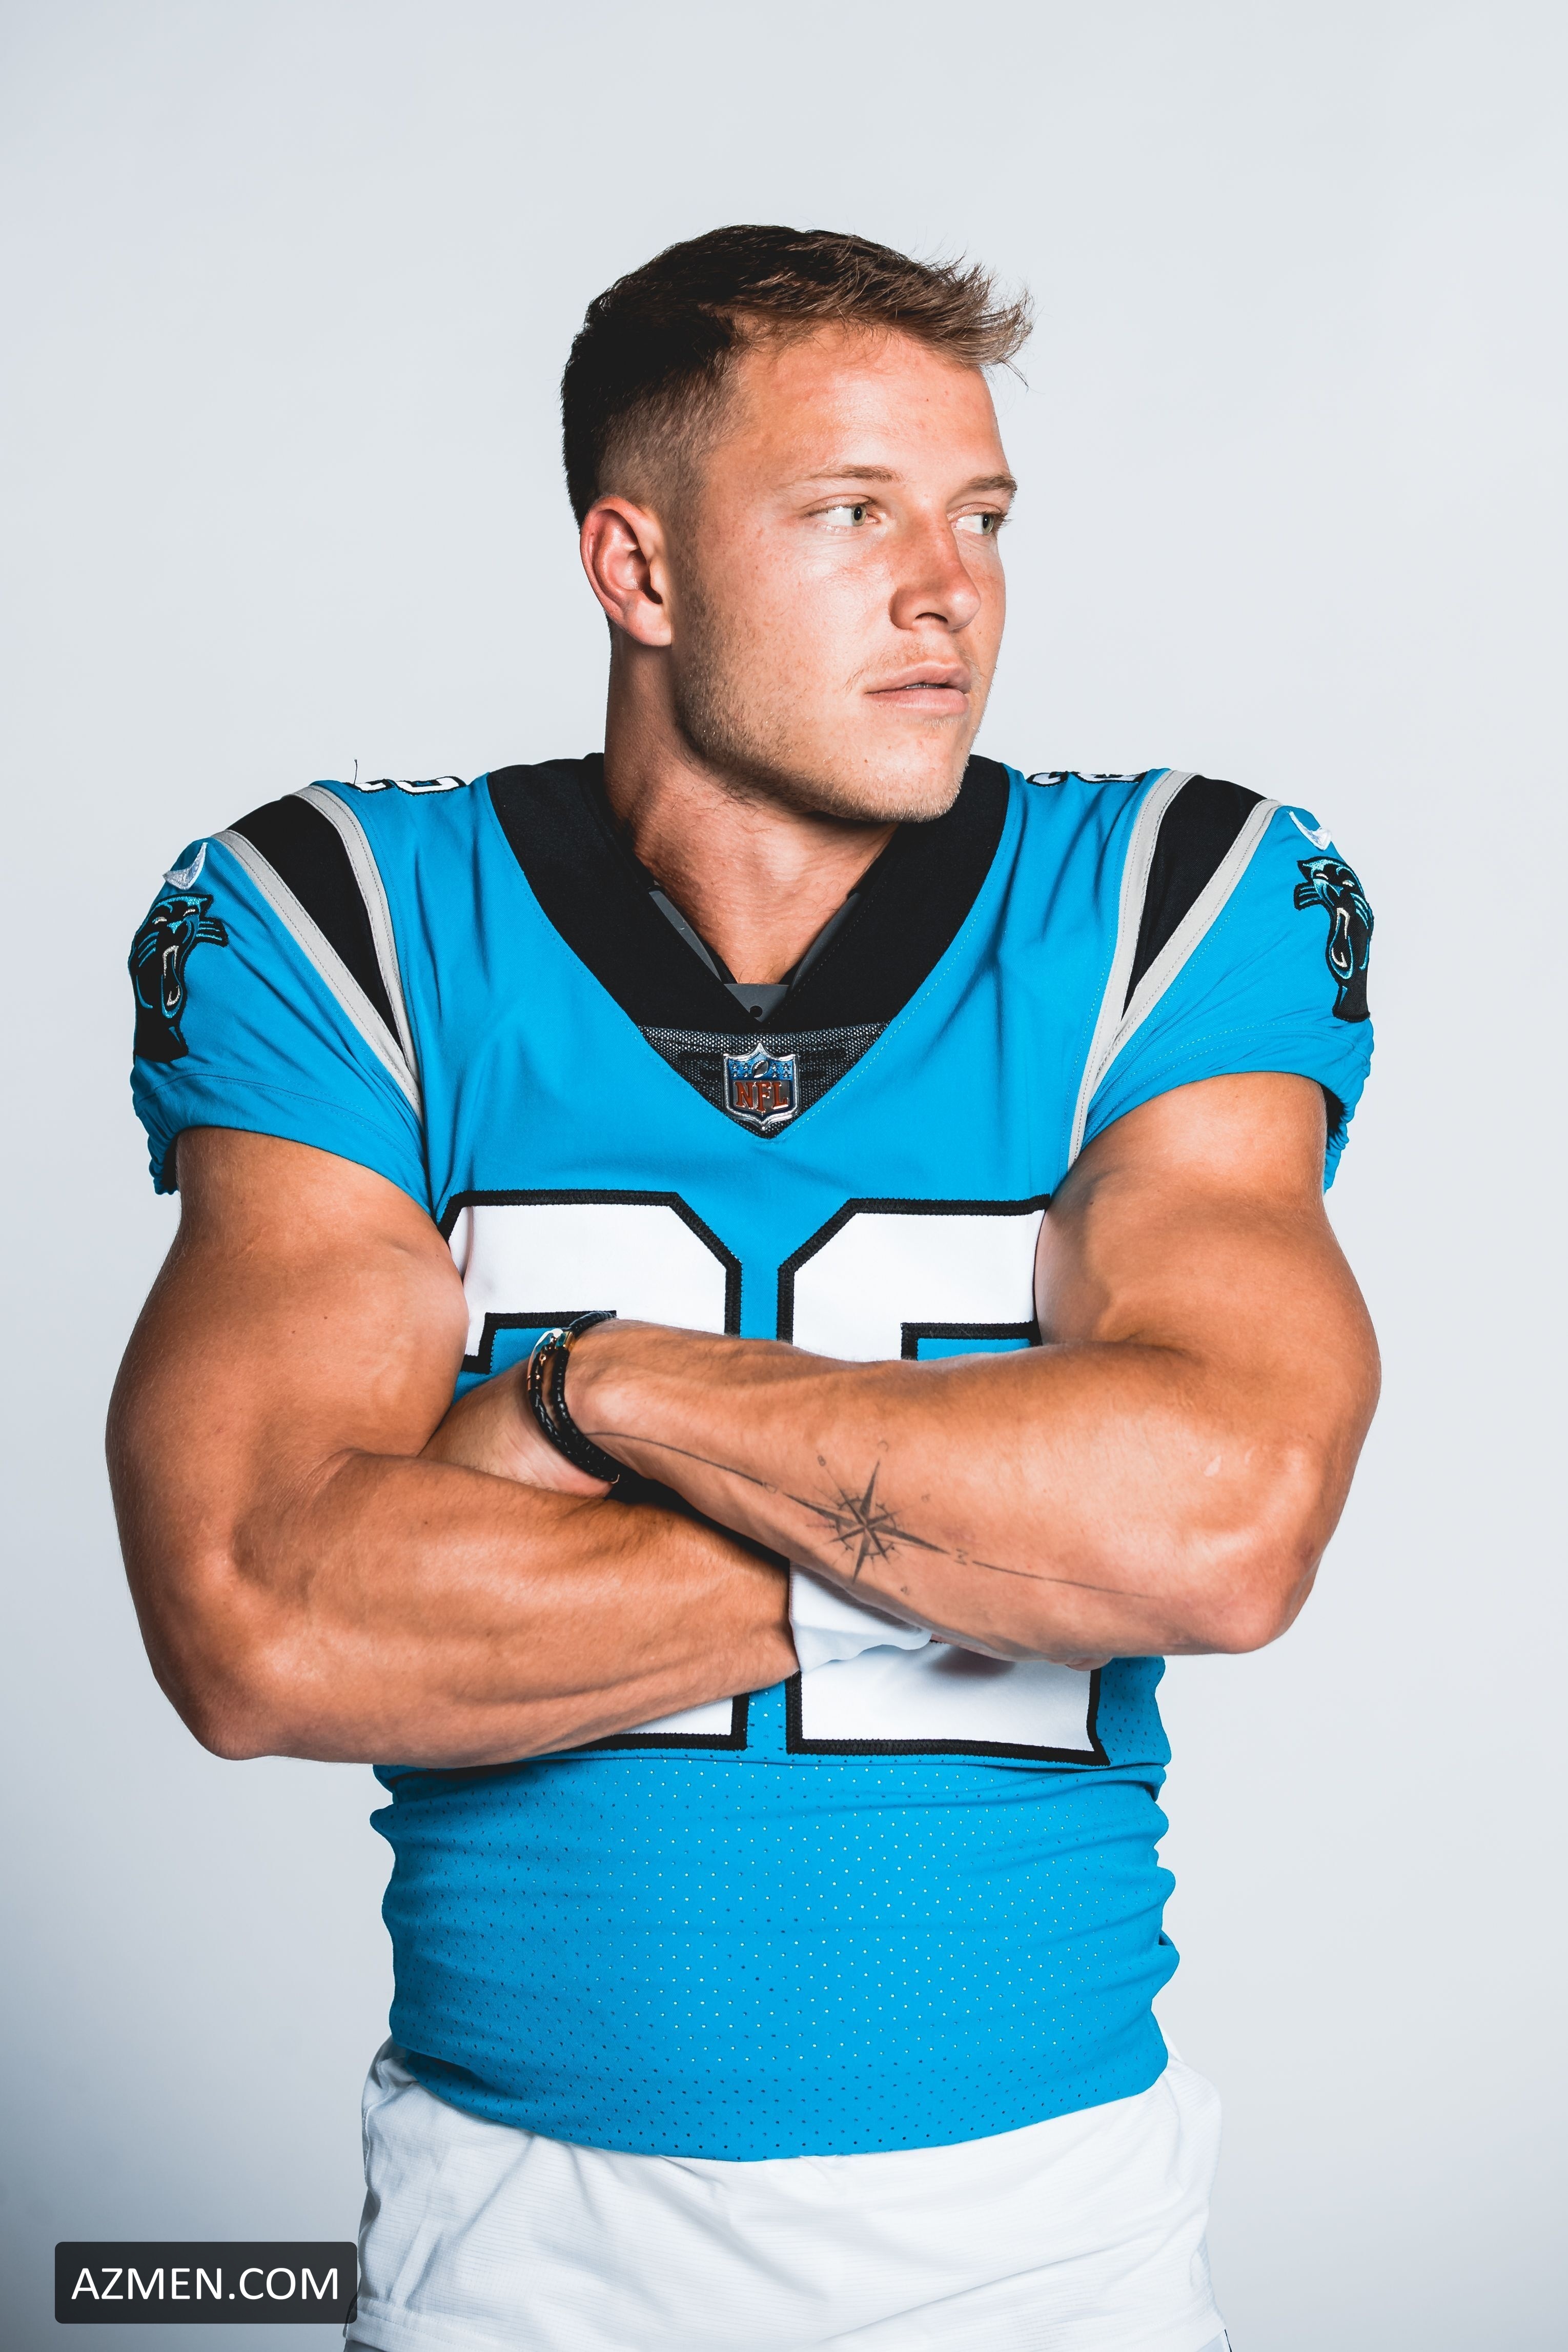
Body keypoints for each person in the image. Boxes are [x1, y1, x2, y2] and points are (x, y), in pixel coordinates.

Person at [108, 225, 1379, 2352]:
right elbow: (258, 1617)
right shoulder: (350, 922)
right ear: (639, 570)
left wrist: (605, 1390)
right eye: (852, 512)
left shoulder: (1168, 899)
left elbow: (1223, 1521)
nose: (948, 589)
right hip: (512, 2226)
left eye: (980, 517)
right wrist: (1003, 1543)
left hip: (1044, 2223)